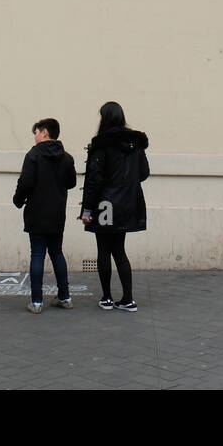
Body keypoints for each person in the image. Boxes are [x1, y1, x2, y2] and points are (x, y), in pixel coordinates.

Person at [79, 101, 149, 312]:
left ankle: (107, 297)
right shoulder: (136, 144)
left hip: (105, 204)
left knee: (103, 249)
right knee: (119, 249)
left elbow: (94, 179)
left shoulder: (101, 144)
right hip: (128, 204)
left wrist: (87, 210)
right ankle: (128, 299)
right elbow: (144, 173)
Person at [13, 118, 77, 313]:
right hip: (57, 212)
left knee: (38, 253)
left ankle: (37, 301)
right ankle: (65, 296)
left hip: (36, 212)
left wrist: (18, 199)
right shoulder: (66, 158)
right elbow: (72, 182)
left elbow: (25, 182)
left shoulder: (33, 155)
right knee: (57, 252)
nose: (35, 135)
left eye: (37, 131)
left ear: (45, 132)